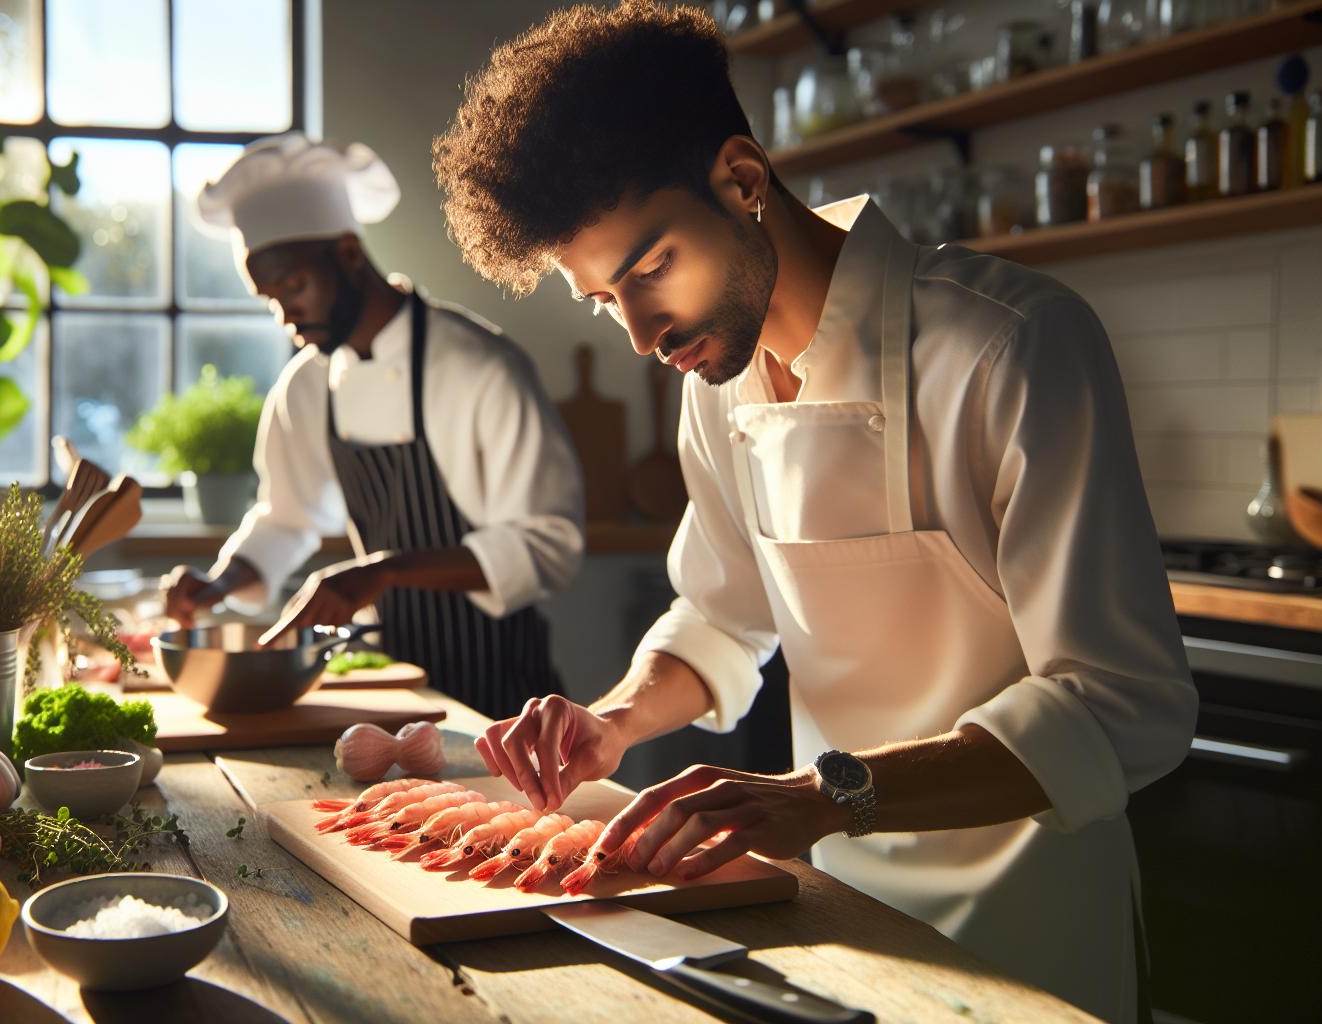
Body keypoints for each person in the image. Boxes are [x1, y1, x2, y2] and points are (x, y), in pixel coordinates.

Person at [430, 4, 1196, 1021]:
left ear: (742, 181)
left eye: (651, 268)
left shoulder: (1011, 348)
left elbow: (1121, 705)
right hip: (838, 910)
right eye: (605, 300)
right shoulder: (716, 387)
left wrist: (816, 797)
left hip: (1030, 926)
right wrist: (613, 720)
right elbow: (720, 613)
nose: (643, 333)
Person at [163, 133, 584, 721]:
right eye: (269, 299)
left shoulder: (477, 365)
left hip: (504, 692)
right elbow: (287, 516)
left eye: (294, 287)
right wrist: (218, 583)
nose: (286, 316)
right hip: (393, 682)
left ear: (350, 254)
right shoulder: (307, 385)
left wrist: (382, 571)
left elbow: (549, 546)